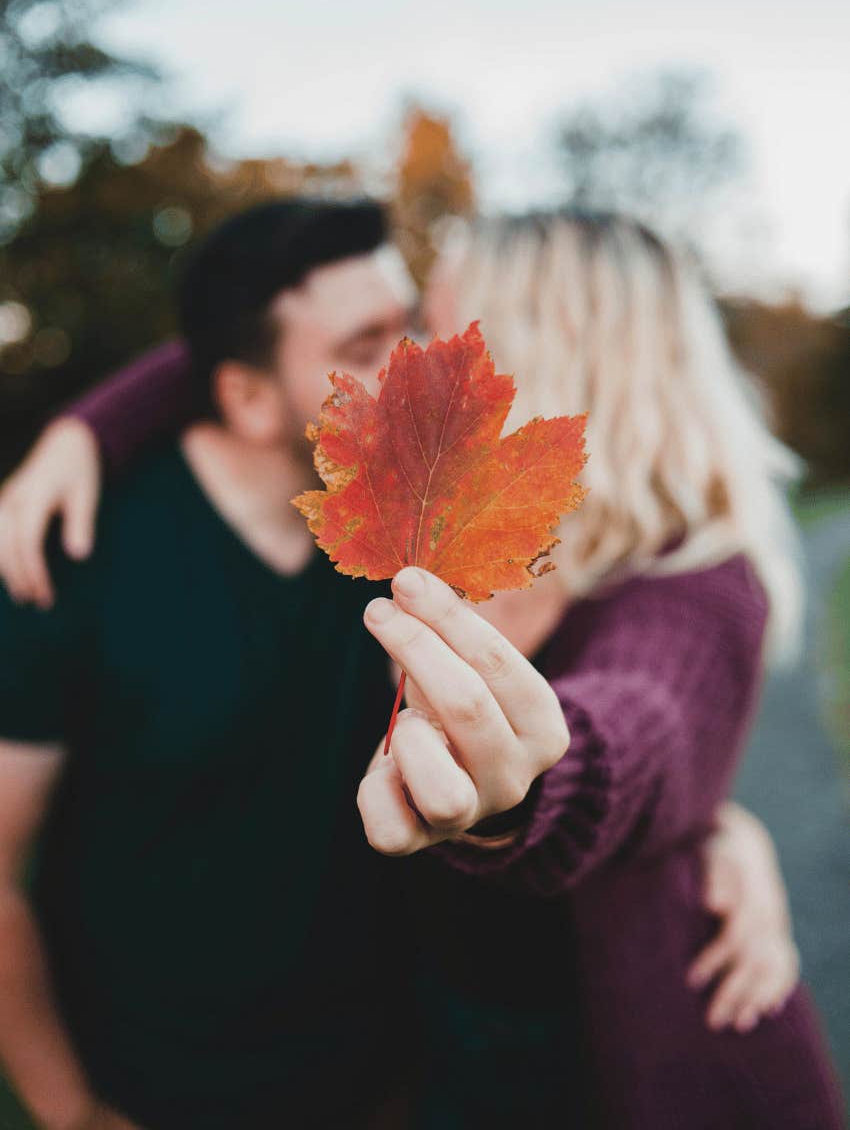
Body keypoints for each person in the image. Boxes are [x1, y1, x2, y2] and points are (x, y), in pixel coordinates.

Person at [0, 201, 841, 1129]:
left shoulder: (696, 580)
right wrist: (85, 428)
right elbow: (260, 352)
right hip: (431, 1065)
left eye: (429, 334)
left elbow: (636, 726)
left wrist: (524, 789)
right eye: (393, 340)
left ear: (546, 355)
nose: (410, 363)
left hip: (622, 1081)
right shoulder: (425, 527)